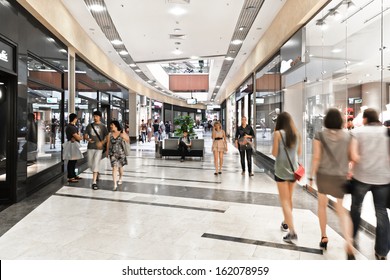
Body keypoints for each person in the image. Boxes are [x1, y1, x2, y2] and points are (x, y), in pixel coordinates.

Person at [308, 108, 355, 259]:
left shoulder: (319, 135)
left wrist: (310, 176)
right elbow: (351, 158)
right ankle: (348, 242)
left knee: (322, 205)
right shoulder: (349, 136)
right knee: (341, 209)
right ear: (340, 121)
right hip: (340, 177)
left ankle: (324, 237)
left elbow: (316, 158)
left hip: (323, 175)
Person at [349, 108, 390, 260]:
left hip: (362, 177)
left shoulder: (357, 132)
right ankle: (382, 251)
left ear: (365, 119)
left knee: (356, 207)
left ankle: (352, 238)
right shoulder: (387, 132)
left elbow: (353, 155)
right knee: (381, 212)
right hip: (383, 178)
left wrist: (363, 162)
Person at [272, 112, 301, 243]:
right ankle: (286, 222)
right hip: (294, 171)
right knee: (289, 199)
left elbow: (274, 153)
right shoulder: (297, 134)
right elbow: (299, 153)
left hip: (281, 171)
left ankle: (292, 231)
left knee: (284, 201)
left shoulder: (277, 134)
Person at [84, 111, 109, 190]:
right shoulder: (89, 126)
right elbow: (85, 135)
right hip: (90, 147)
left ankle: (94, 182)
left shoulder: (103, 126)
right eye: (94, 116)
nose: (95, 118)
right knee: (91, 164)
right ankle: (96, 172)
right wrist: (88, 139)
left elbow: (107, 137)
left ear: (100, 117)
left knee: (96, 163)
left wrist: (102, 142)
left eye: (97, 116)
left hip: (99, 148)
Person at [106, 120, 129, 191]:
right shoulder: (110, 134)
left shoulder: (121, 132)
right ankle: (115, 184)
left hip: (121, 153)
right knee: (114, 168)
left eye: (112, 125)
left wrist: (124, 136)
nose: (110, 126)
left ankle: (120, 178)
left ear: (116, 125)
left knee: (120, 167)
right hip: (112, 153)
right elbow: (108, 143)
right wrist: (107, 152)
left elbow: (128, 140)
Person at [65, 113, 83, 183]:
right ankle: (70, 176)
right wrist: (79, 136)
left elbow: (78, 136)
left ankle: (73, 174)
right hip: (72, 145)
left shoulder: (73, 126)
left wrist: (78, 136)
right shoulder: (71, 127)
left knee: (74, 160)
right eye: (76, 118)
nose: (77, 119)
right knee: (71, 161)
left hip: (74, 144)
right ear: (74, 118)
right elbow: (78, 137)